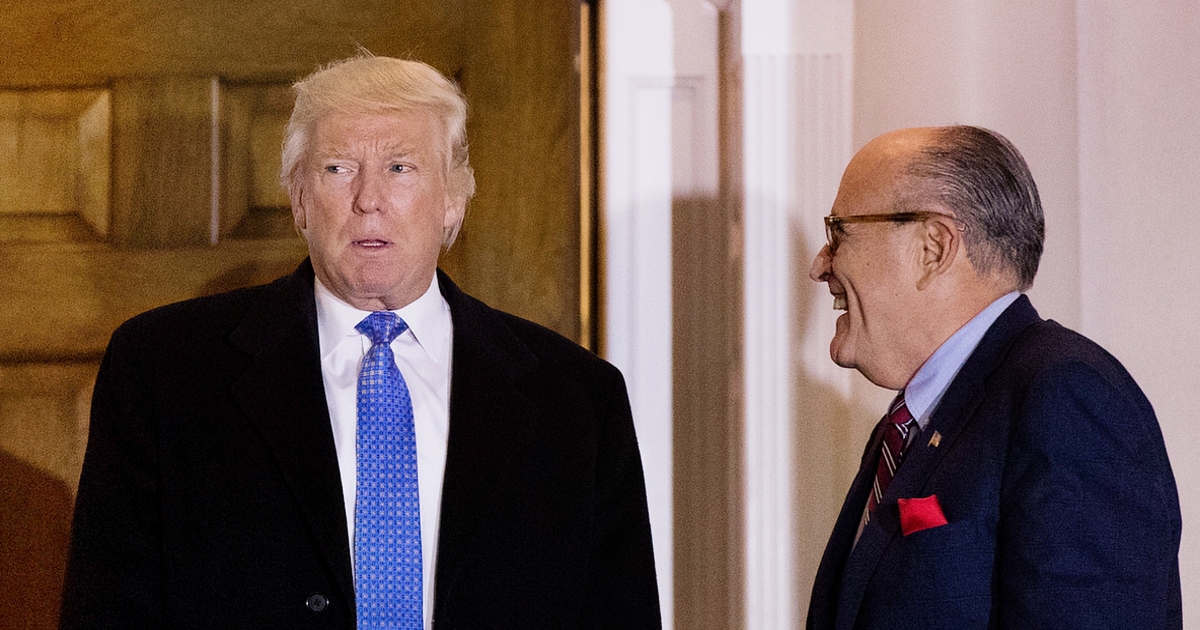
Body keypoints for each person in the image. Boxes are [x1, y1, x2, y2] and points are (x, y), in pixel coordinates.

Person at [60, 55, 661, 629]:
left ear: (453, 200)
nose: (368, 199)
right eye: (338, 168)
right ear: (299, 199)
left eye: (400, 168)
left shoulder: (578, 399)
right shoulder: (165, 372)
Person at [805, 125, 1181, 629]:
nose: (820, 265)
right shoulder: (909, 425)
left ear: (933, 246)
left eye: (838, 232)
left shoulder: (1067, 396)